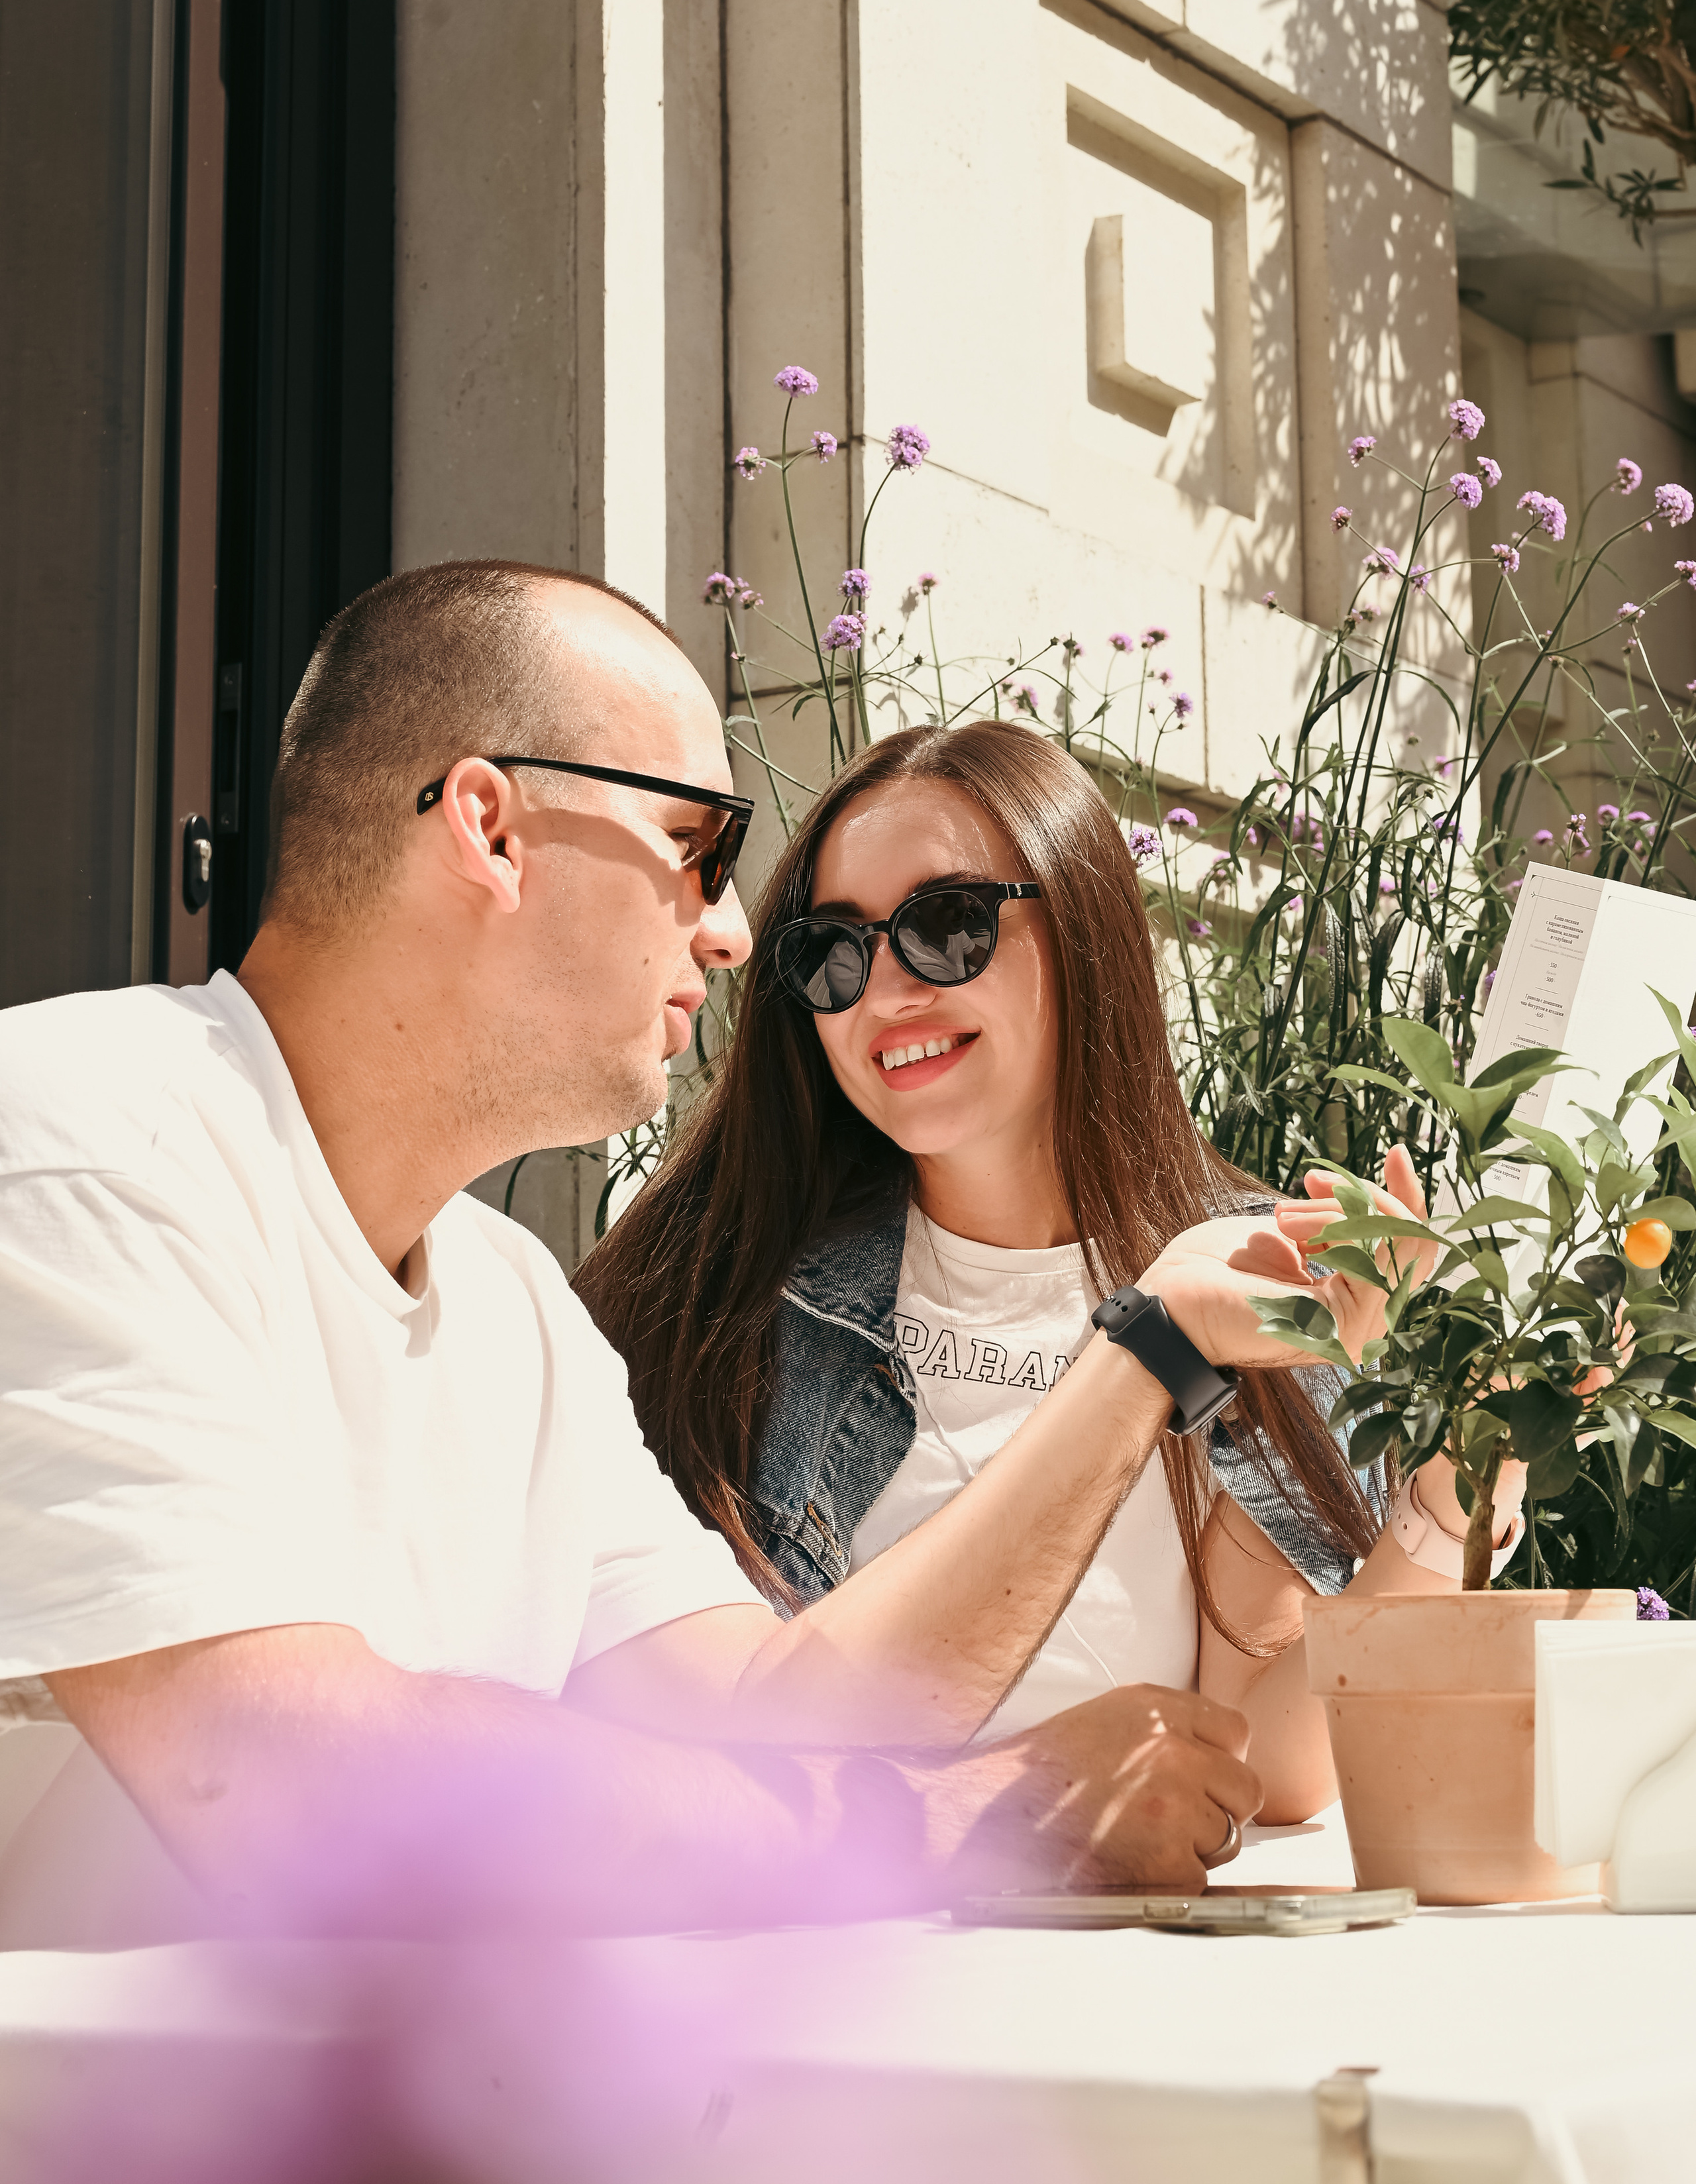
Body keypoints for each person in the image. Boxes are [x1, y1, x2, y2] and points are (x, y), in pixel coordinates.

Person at [0, 560, 1289, 1947]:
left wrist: (1139, 1353)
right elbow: (272, 1770)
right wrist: (951, 1819)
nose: (735, 934)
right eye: (694, 846)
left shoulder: (513, 1313)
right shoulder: (84, 1143)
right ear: (489, 826)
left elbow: (778, 1718)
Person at [577, 719, 1532, 1821]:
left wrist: (1466, 1478)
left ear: (1080, 924)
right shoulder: (721, 1302)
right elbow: (730, 1748)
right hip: (848, 1956)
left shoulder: (1257, 1266)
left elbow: (1264, 1759)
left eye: (946, 928)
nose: (886, 993)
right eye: (833, 954)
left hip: (1140, 1955)